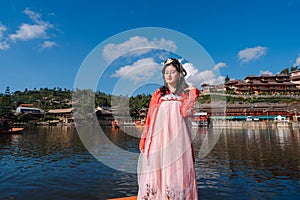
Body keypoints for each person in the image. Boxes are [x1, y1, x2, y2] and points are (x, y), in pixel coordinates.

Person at [137, 57, 199, 199]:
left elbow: (186, 113)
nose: (169, 75)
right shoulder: (158, 93)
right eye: (166, 73)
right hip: (160, 137)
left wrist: (193, 94)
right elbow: (150, 117)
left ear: (180, 74)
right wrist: (144, 139)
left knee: (177, 167)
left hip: (179, 138)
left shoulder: (185, 93)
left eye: (172, 72)